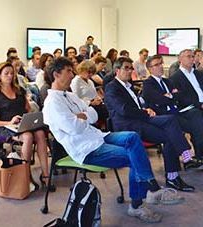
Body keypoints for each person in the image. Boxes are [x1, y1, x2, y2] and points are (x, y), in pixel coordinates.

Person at [43, 57, 184, 223]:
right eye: (68, 71)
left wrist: (82, 116)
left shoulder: (70, 96)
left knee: (133, 138)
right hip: (86, 149)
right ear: (56, 74)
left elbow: (95, 113)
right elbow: (75, 128)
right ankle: (140, 202)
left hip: (97, 137)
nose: (72, 73)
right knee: (135, 156)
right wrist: (83, 116)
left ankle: (150, 189)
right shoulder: (52, 103)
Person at [104, 57, 196, 192]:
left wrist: (146, 108)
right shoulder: (112, 87)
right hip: (129, 125)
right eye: (126, 68)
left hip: (140, 119)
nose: (130, 71)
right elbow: (123, 110)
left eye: (131, 68)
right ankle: (177, 168)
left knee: (171, 120)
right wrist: (144, 112)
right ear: (117, 70)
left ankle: (180, 163)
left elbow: (139, 103)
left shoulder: (129, 86)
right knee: (170, 135)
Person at [0, 62, 49, 186]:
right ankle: (25, 175)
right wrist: (9, 122)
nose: (10, 76)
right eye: (6, 74)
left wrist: (29, 119)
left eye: (12, 73)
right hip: (4, 130)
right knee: (28, 136)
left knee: (40, 133)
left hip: (22, 124)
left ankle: (45, 174)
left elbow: (28, 110)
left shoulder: (19, 90)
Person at [142, 55, 203, 162]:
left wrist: (169, 96)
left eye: (161, 63)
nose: (161, 66)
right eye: (157, 65)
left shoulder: (167, 81)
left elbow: (180, 95)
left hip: (176, 112)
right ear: (150, 69)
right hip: (163, 115)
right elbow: (159, 100)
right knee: (177, 124)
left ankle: (199, 155)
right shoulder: (148, 83)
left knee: (196, 118)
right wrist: (172, 96)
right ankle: (187, 156)